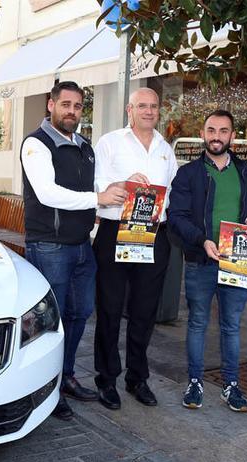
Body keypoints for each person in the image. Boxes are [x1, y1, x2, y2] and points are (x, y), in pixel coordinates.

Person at [20, 80, 127, 420]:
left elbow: (88, 187)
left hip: (82, 245)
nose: (72, 111)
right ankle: (47, 387)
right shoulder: (36, 145)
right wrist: (99, 199)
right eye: (65, 104)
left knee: (79, 314)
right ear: (50, 105)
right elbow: (48, 193)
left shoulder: (84, 145)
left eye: (78, 106)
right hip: (50, 246)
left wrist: (109, 189)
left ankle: (65, 376)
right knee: (51, 322)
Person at [167, 109, 247, 412]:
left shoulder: (245, 171)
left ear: (232, 135)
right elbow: (176, 217)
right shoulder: (188, 174)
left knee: (232, 325)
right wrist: (201, 240)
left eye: (223, 131)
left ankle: (231, 384)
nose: (216, 136)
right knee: (197, 323)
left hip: (237, 261)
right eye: (211, 130)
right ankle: (195, 382)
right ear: (203, 134)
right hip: (200, 260)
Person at [91, 88, 178, 410]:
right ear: (130, 109)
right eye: (142, 105)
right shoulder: (110, 142)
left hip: (153, 234)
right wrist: (125, 185)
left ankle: (137, 378)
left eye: (154, 106)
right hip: (115, 230)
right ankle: (106, 379)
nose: (149, 111)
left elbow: (170, 193)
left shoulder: (165, 149)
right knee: (110, 309)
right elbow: (95, 184)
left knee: (145, 311)